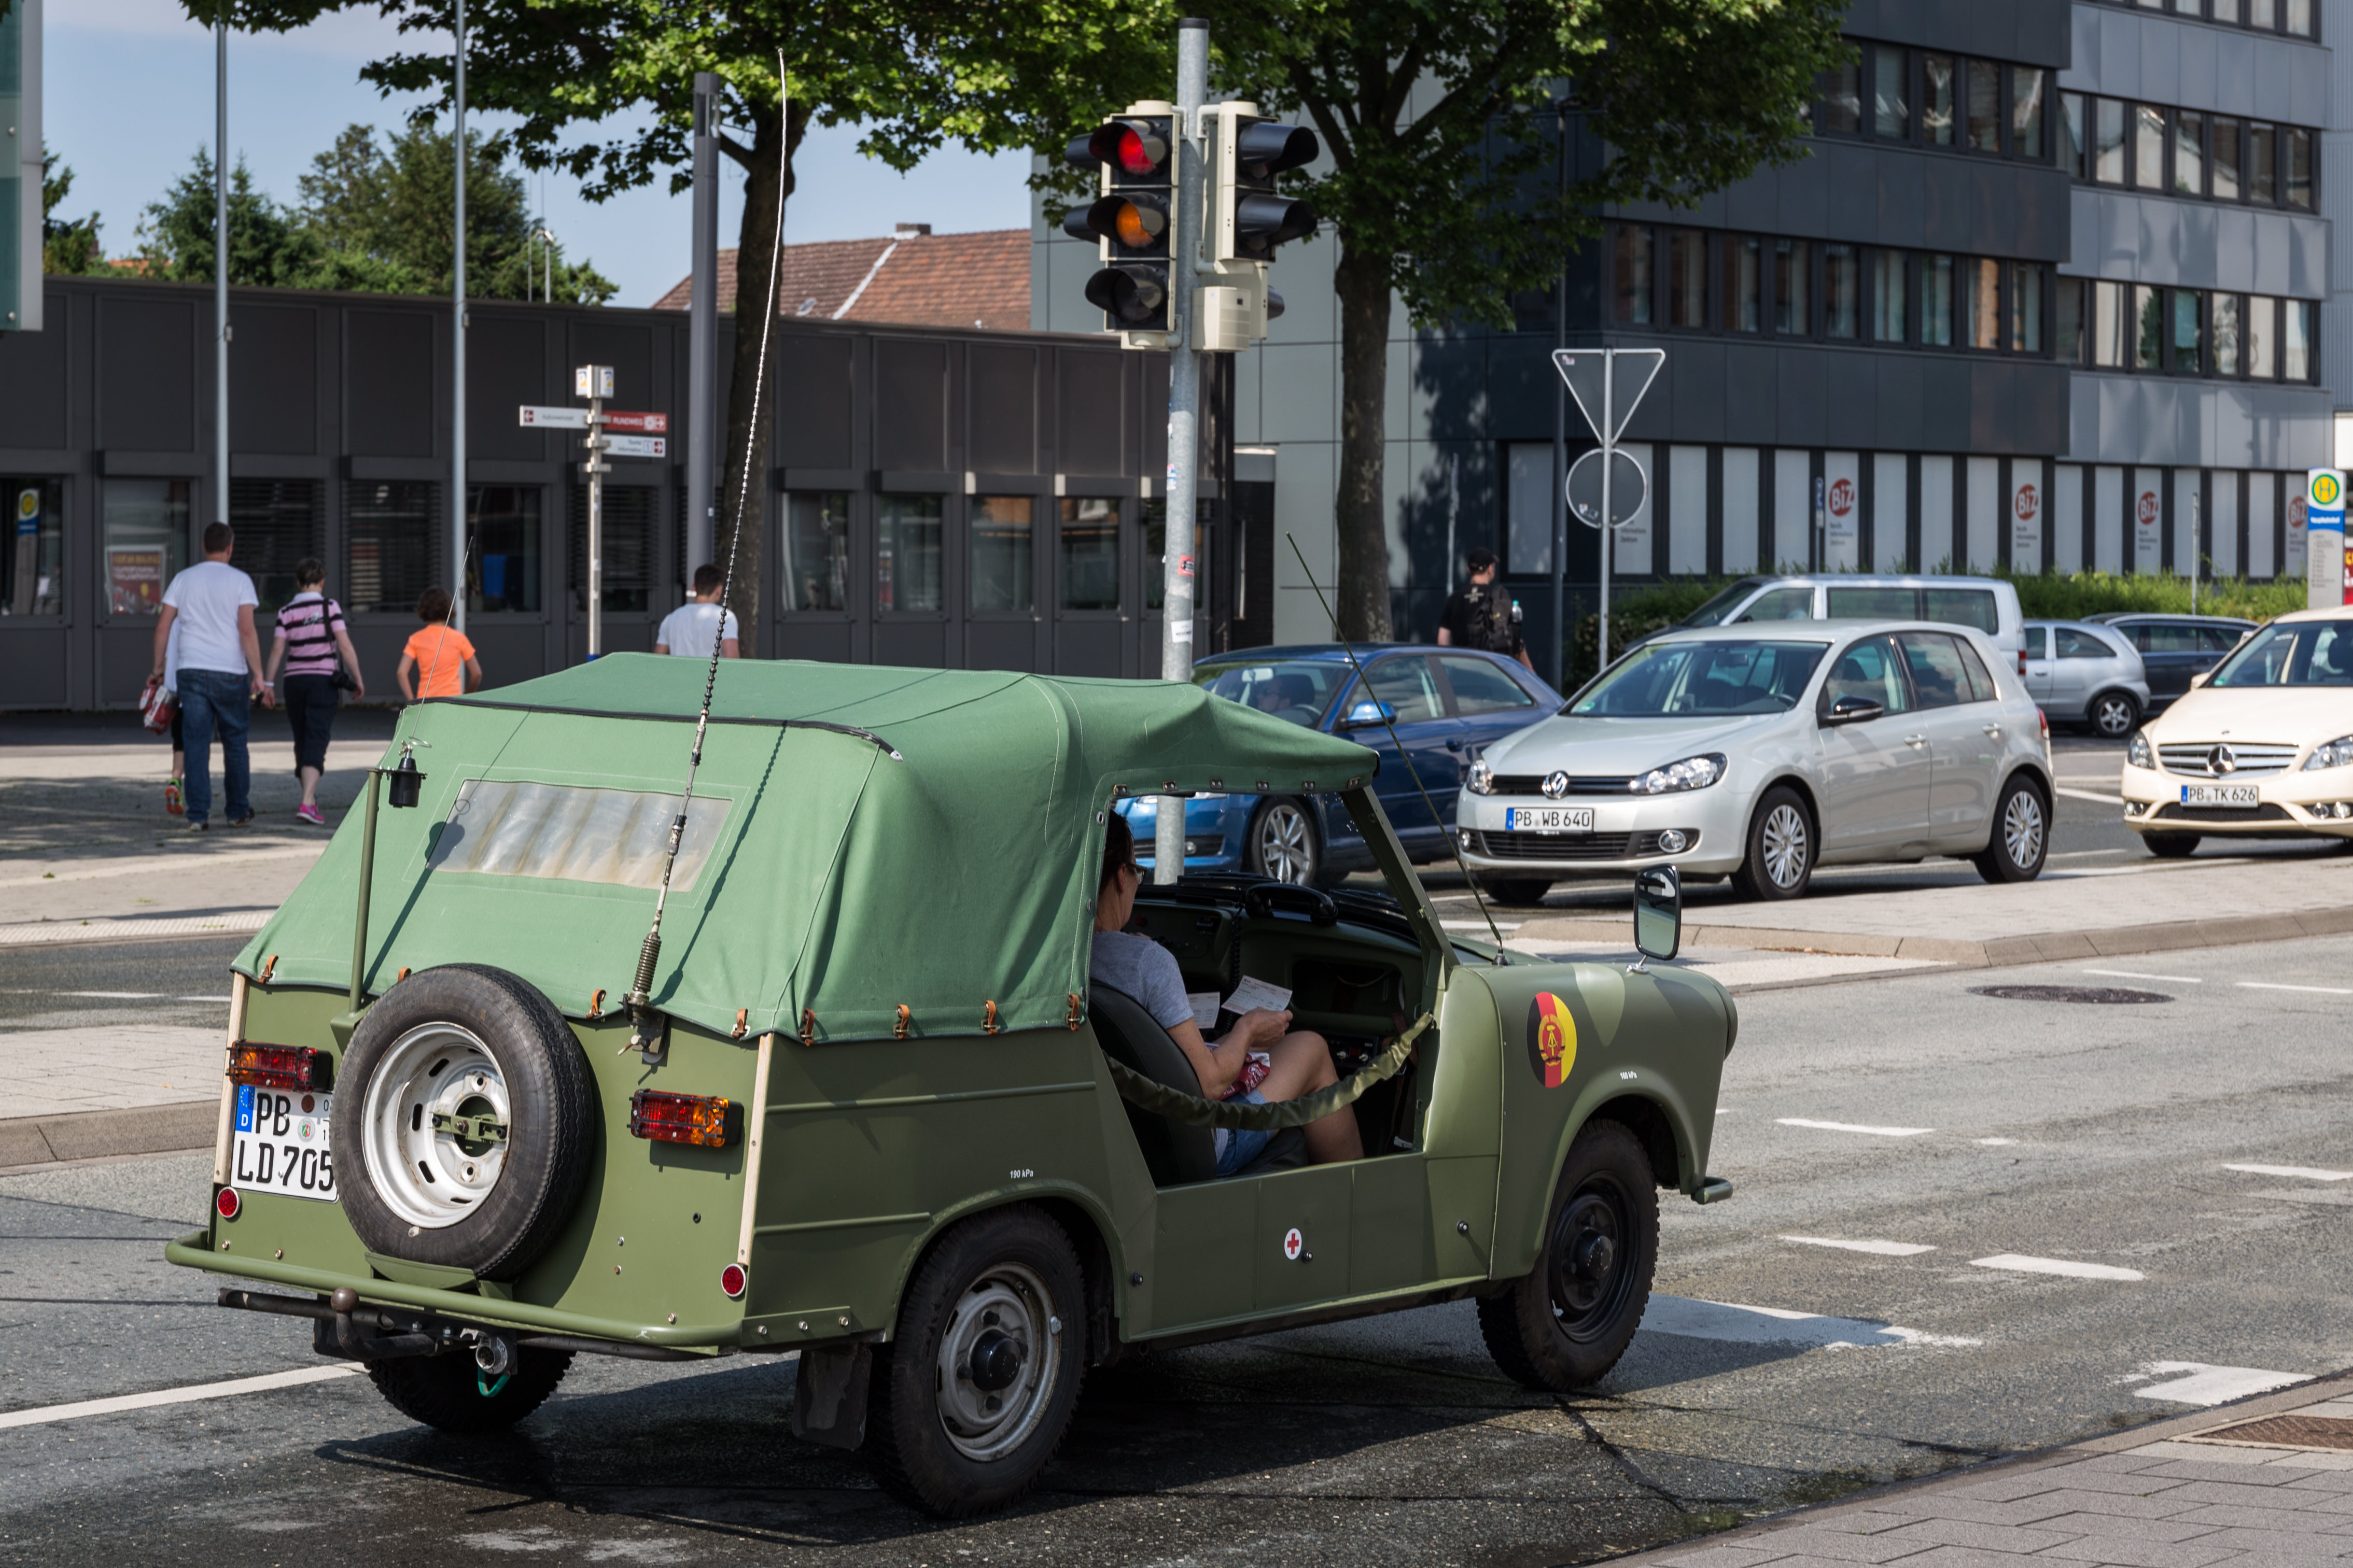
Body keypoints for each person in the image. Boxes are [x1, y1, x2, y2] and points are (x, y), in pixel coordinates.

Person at [1089, 813, 1362, 1172]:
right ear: (1121, 877)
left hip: (1117, 1140)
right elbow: (1210, 1085)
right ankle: (1358, 1196)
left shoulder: (1056, 962)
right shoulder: (1147, 962)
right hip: (1197, 1145)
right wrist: (1246, 1032)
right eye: (1138, 873)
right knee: (1312, 1049)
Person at [149, 521, 271, 831]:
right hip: (230, 672)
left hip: (190, 670)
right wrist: (259, 674)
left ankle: (198, 816)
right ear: (230, 548)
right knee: (235, 743)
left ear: (204, 547)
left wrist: (158, 669)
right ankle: (237, 811)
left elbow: (163, 626)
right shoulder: (241, 581)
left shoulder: (183, 579)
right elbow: (247, 630)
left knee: (195, 743)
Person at [265, 558, 365, 826]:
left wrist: (268, 685)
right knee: (317, 738)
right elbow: (345, 645)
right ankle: (308, 802)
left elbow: (277, 649)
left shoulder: (286, 611)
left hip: (294, 682)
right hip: (323, 682)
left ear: (299, 582)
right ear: (322, 582)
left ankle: (309, 799)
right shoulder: (329, 607)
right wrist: (357, 679)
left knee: (302, 738)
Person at [1436, 546, 1533, 672]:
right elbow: (1513, 638)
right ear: (1490, 569)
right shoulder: (1498, 596)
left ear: (1469, 570)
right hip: (1492, 672)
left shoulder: (1454, 599)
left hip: (1462, 671)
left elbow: (1442, 641)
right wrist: (1530, 671)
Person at [398, 586, 480, 701]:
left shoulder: (416, 639)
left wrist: (412, 702)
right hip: (452, 701)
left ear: (424, 609)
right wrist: (466, 697)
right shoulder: (459, 638)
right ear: (448, 608)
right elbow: (477, 673)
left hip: (426, 702)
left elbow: (401, 673)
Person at [655, 565, 741, 658]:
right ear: (719, 590)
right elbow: (732, 660)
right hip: (711, 668)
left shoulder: (671, 618)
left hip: (678, 668)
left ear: (694, 587)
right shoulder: (726, 617)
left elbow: (657, 659)